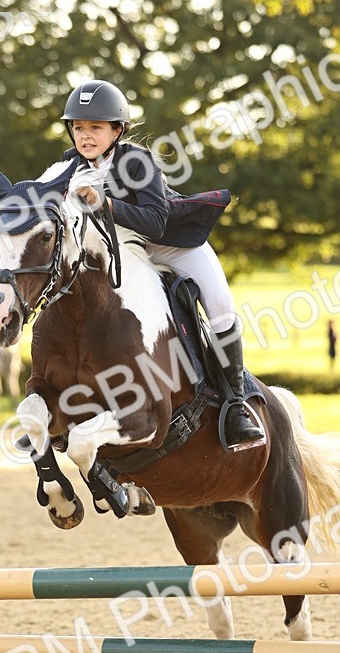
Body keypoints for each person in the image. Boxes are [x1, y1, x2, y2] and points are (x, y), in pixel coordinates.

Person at [33, 79, 264, 448]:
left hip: (170, 244)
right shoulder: (67, 165)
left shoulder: (137, 162)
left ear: (117, 130)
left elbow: (156, 222)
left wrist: (106, 203)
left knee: (220, 305)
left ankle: (236, 404)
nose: (85, 136)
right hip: (122, 253)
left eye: (95, 127)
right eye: (78, 127)